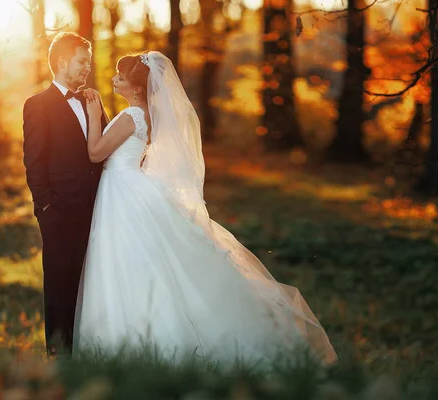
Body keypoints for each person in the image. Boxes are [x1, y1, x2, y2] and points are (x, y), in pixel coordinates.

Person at [74, 51, 337, 368]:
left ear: (136, 88)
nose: (114, 79)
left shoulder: (133, 117)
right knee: (142, 262)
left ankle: (129, 342)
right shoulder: (145, 115)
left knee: (127, 262)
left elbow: (95, 153)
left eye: (120, 76)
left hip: (123, 189)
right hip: (129, 188)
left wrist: (92, 113)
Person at [22, 32, 108, 356]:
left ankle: (87, 351)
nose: (87, 67)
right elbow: (33, 161)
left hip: (96, 209)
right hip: (58, 212)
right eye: (82, 61)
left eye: (88, 62)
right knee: (59, 287)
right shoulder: (37, 105)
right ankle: (59, 357)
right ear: (62, 62)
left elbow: (106, 146)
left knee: (89, 284)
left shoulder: (91, 101)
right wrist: (46, 206)